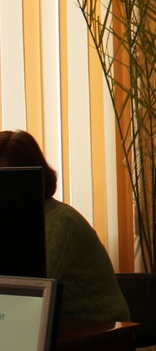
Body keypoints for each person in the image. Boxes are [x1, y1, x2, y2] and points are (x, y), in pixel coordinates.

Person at [0, 130, 130, 322]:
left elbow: (29, 290)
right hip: (48, 326)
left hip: (98, 328)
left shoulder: (60, 221)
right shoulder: (13, 219)